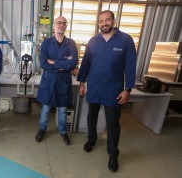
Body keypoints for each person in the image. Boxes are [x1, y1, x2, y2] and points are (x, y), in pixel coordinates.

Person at [77, 10, 136, 172]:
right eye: (101, 21)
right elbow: (85, 64)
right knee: (92, 116)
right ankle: (91, 140)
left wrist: (127, 89)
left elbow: (130, 66)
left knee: (112, 123)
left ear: (113, 21)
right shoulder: (93, 41)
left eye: (107, 20)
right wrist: (82, 83)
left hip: (113, 90)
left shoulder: (125, 40)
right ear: (98, 23)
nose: (104, 23)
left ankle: (113, 155)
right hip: (94, 87)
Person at [35, 16, 78, 145]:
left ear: (66, 26)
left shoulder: (71, 43)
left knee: (62, 109)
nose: (61, 25)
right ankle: (42, 129)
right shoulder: (46, 43)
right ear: (54, 25)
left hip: (63, 82)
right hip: (49, 81)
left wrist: (54, 62)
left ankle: (63, 131)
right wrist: (63, 65)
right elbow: (43, 63)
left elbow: (73, 63)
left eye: (64, 23)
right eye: (59, 23)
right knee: (46, 108)